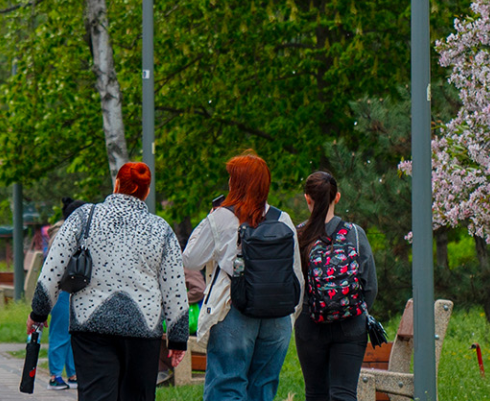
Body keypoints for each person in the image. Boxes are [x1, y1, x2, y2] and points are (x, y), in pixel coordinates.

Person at [28, 163, 186, 401]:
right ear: (146, 191)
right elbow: (174, 286)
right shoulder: (160, 229)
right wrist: (178, 337)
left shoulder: (82, 217)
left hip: (91, 323)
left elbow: (53, 269)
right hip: (143, 328)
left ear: (116, 185)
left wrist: (38, 314)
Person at [184, 154, 304, 401]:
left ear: (237, 184)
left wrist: (209, 218)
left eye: (231, 178)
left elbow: (190, 259)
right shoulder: (283, 219)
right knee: (263, 389)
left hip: (234, 312)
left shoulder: (222, 217)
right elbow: (297, 277)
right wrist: (289, 315)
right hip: (278, 317)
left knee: (227, 386)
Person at [294, 172, 377, 401]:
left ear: (307, 198)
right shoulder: (354, 234)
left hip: (310, 324)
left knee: (316, 393)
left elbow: (294, 285)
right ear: (336, 197)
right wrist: (350, 308)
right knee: (344, 394)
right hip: (350, 325)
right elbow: (370, 286)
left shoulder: (299, 235)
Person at [43, 199, 87, 391]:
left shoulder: (74, 231)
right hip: (62, 290)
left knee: (73, 333)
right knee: (60, 332)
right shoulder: (62, 234)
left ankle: (73, 373)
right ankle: (54, 375)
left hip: (75, 290)